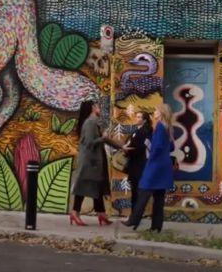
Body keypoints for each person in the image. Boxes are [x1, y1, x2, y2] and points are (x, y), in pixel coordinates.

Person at [70, 100, 126, 226]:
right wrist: (104, 137)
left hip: (95, 161)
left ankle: (101, 214)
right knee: (84, 188)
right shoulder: (90, 123)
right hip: (90, 162)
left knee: (97, 187)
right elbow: (90, 142)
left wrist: (121, 147)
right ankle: (75, 212)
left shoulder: (94, 122)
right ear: (92, 108)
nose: (99, 108)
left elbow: (103, 140)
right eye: (97, 106)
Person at [123, 104, 175, 233]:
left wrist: (151, 159)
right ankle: (156, 226)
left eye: (156, 110)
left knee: (143, 191)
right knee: (158, 197)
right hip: (164, 166)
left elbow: (156, 147)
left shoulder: (159, 127)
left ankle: (134, 220)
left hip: (155, 165)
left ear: (161, 113)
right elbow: (171, 147)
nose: (154, 112)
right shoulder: (168, 127)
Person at [125, 111, 153, 213]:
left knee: (137, 191)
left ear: (144, 120)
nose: (136, 118)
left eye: (139, 117)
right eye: (136, 116)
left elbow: (140, 147)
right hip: (136, 164)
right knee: (135, 191)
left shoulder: (145, 131)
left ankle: (135, 215)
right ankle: (135, 215)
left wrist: (128, 149)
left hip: (139, 165)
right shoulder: (137, 131)